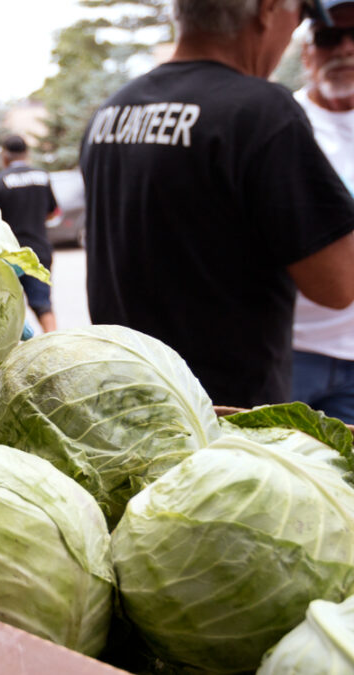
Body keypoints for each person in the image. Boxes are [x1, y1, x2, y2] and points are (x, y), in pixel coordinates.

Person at [80, 0, 354, 409]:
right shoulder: (262, 111)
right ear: (267, 10)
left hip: (128, 404)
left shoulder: (112, 111)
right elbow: (337, 284)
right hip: (228, 419)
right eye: (297, 15)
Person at [292, 0, 354, 423]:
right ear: (307, 52)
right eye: (329, 37)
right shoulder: (282, 124)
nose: (345, 49)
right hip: (292, 352)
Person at [0, 134, 59, 334]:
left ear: (5, 156)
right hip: (39, 251)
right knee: (43, 304)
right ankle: (55, 343)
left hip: (10, 255)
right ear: (26, 154)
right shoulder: (43, 176)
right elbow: (53, 211)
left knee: (8, 308)